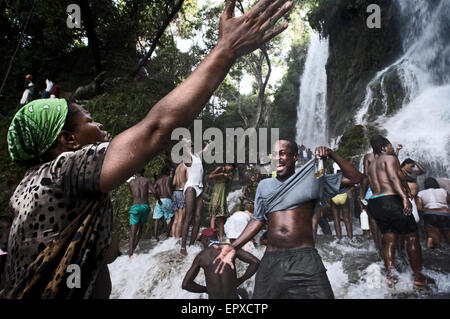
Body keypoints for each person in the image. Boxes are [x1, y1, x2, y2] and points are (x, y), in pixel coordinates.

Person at [4, 0, 293, 298]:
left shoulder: (41, 184)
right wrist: (226, 49)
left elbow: (108, 254)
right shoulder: (64, 170)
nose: (100, 125)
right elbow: (157, 129)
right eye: (89, 121)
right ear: (69, 141)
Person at [214, 140, 362, 299]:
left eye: (283, 153)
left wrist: (331, 154)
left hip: (305, 260)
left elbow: (355, 177)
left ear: (295, 157)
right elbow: (257, 220)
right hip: (272, 260)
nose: (278, 158)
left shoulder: (313, 181)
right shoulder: (264, 186)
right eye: (275, 155)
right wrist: (233, 247)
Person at [366, 135, 433, 288]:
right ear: (384, 148)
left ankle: (391, 276)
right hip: (391, 200)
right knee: (411, 236)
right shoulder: (389, 159)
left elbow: (396, 176)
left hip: (375, 202)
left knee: (389, 239)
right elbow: (393, 178)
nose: (392, 148)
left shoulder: (371, 165)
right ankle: (418, 276)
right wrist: (404, 197)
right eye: (390, 145)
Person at [181, 228, 259, 299]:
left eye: (202, 241)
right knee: (242, 291)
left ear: (206, 240)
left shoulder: (201, 256)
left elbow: (185, 285)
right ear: (217, 238)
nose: (202, 244)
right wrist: (241, 280)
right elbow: (255, 262)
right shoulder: (230, 248)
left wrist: (207, 290)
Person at [180, 139, 214, 255]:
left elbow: (206, 149)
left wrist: (208, 143)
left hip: (199, 188)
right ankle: (183, 247)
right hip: (191, 188)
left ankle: (192, 245)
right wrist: (185, 144)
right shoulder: (187, 156)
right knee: (189, 216)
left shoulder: (196, 156)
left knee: (198, 218)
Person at [127, 169, 160, 258]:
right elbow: (154, 192)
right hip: (145, 207)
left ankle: (131, 253)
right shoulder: (147, 180)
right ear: (143, 172)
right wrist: (159, 200)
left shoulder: (131, 183)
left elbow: (133, 194)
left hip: (135, 207)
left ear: (135, 173)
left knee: (133, 232)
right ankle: (134, 248)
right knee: (140, 229)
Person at [417, 177, 450, 248]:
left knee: (435, 243)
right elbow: (448, 201)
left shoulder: (421, 193)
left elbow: (419, 208)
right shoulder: (443, 191)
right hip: (445, 214)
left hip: (430, 215)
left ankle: (433, 247)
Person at [209, 164, 234, 241]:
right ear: (227, 165)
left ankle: (220, 238)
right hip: (216, 193)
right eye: (230, 167)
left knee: (222, 218)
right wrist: (221, 174)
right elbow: (210, 176)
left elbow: (230, 179)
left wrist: (228, 176)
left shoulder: (230, 172)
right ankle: (212, 236)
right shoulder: (220, 168)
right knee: (214, 215)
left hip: (222, 195)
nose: (230, 169)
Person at [152, 167, 174, 241]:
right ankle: (168, 235)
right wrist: (173, 198)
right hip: (167, 199)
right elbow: (168, 188)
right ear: (167, 172)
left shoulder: (158, 181)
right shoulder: (169, 179)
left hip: (159, 201)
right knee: (169, 218)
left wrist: (157, 198)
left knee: (157, 219)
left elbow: (153, 190)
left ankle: (155, 237)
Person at [172, 163, 187, 238]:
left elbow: (174, 182)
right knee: (181, 217)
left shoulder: (177, 167)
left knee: (176, 218)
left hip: (175, 192)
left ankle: (173, 238)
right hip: (182, 192)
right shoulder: (186, 166)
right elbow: (189, 180)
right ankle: (177, 239)